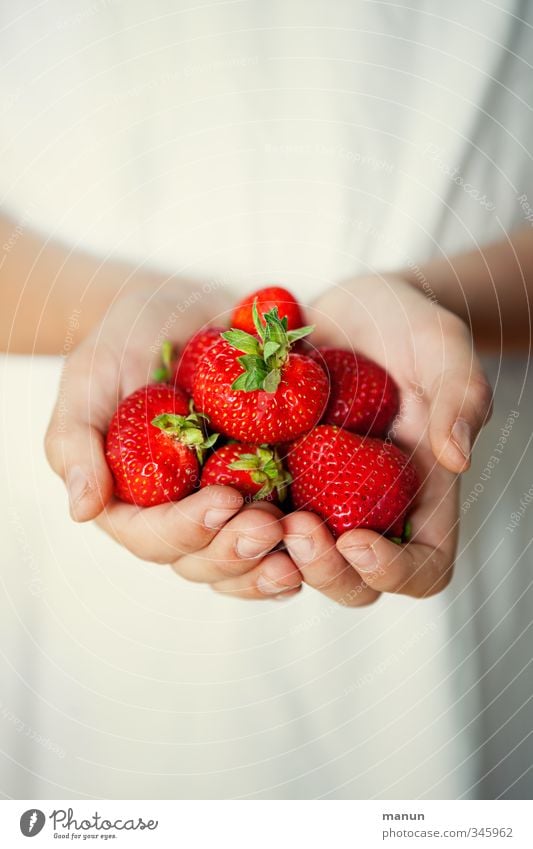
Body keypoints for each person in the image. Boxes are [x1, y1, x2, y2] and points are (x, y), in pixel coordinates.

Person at [1, 0, 532, 799]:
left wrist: (441, 300)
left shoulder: (291, 385)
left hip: (453, 465)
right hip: (82, 487)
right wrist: (102, 312)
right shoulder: (251, 387)